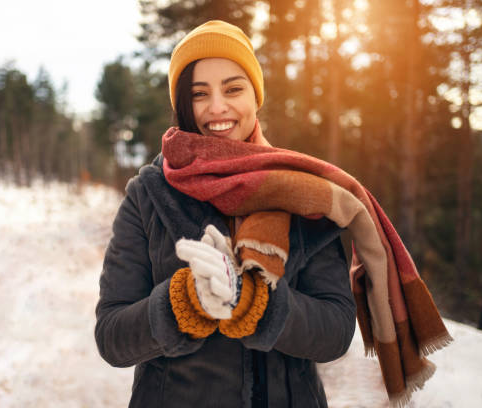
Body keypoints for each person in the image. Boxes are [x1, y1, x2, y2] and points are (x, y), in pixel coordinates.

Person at [94, 20, 356, 408]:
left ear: (255, 96)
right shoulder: (148, 194)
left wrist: (257, 304)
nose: (217, 107)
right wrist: (183, 302)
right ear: (183, 104)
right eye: (200, 94)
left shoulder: (303, 193)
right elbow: (112, 336)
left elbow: (335, 330)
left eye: (233, 88)